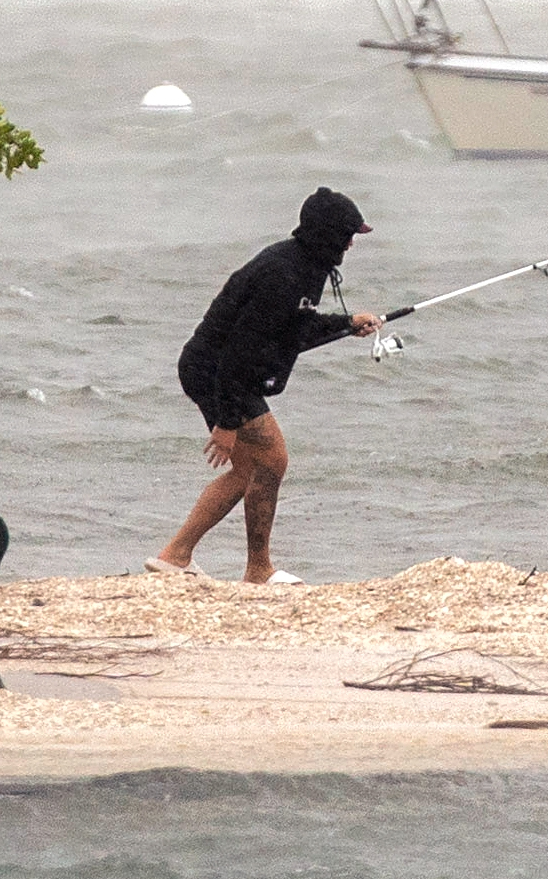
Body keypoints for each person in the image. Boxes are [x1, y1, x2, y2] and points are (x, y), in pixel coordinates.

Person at [151, 186, 381, 583]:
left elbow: (294, 330)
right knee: (272, 459)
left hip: (223, 371)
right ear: (327, 234)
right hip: (218, 371)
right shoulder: (283, 274)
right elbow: (240, 352)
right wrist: (227, 422)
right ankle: (257, 570)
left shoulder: (307, 267)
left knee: (249, 470)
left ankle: (175, 556)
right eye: (348, 235)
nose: (350, 244)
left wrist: (346, 325)